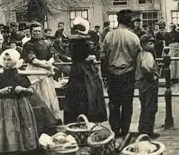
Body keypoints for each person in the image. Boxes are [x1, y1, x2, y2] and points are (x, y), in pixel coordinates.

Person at [0, 49, 38, 155]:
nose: (6, 62)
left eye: (9, 59)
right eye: (4, 59)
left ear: (15, 61)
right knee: (9, 131)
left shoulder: (20, 75)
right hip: (4, 108)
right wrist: (2, 91)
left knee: (20, 131)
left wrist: (22, 89)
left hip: (20, 106)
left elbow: (32, 90)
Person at [100, 9, 141, 137]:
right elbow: (138, 56)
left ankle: (115, 128)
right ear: (129, 22)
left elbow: (102, 57)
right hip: (128, 73)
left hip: (112, 74)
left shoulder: (108, 36)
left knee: (113, 103)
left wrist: (105, 74)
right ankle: (125, 129)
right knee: (127, 103)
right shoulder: (133, 37)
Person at [64, 17, 107, 124]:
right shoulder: (81, 42)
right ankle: (89, 117)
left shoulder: (73, 42)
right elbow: (83, 57)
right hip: (84, 70)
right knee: (88, 93)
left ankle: (77, 118)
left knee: (78, 94)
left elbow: (76, 56)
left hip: (76, 70)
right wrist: (92, 57)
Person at [21, 21, 62, 123]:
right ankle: (42, 119)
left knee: (49, 94)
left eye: (39, 31)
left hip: (46, 70)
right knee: (39, 94)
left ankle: (52, 118)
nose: (37, 33)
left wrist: (49, 64)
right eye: (34, 31)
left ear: (42, 32)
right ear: (31, 32)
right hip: (36, 72)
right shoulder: (28, 44)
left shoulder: (46, 43)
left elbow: (51, 57)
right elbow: (33, 60)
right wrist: (46, 65)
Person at [136, 34, 160, 138]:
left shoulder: (141, 54)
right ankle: (148, 131)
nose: (153, 46)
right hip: (148, 83)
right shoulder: (147, 54)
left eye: (153, 43)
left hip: (142, 83)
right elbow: (146, 68)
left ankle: (142, 129)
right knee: (150, 107)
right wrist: (153, 77)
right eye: (150, 43)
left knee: (144, 107)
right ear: (144, 44)